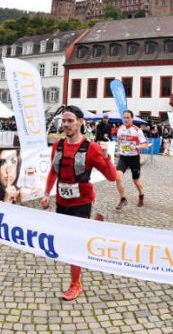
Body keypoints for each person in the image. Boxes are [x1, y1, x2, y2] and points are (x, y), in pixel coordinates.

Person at [41, 105, 116, 301]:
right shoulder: (58, 145)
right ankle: (90, 234)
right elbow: (53, 171)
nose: (65, 124)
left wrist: (107, 157)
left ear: (81, 122)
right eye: (63, 121)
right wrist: (47, 193)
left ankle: (75, 284)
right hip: (62, 200)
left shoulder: (90, 148)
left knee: (75, 243)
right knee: (65, 241)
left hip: (82, 201)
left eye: (70, 121)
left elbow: (111, 177)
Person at [115, 110, 148, 210]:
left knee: (136, 181)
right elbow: (119, 141)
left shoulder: (137, 130)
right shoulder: (120, 129)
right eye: (124, 117)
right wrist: (119, 151)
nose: (126, 119)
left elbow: (145, 144)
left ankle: (141, 195)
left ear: (132, 118)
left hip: (134, 158)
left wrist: (137, 147)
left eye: (128, 117)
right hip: (123, 158)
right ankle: (123, 199)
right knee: (118, 177)